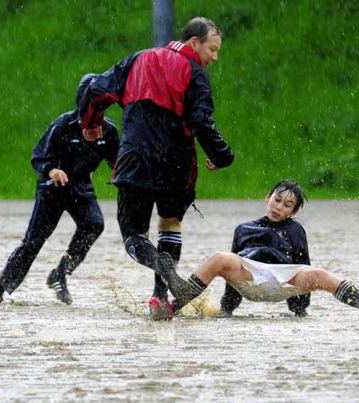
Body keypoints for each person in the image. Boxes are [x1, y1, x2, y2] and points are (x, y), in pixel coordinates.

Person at [77, 17, 235, 320]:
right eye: (212, 49)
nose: (214, 57)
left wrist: (91, 124)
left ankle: (157, 267)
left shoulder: (139, 58)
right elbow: (202, 123)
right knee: (170, 225)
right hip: (177, 165)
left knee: (133, 234)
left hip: (136, 160)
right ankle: (160, 297)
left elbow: (96, 90)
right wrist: (222, 155)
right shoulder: (196, 75)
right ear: (193, 43)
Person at [154, 179, 359, 320]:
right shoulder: (243, 228)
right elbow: (231, 272)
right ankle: (172, 307)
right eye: (277, 200)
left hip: (285, 280)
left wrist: (299, 311)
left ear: (294, 211)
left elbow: (304, 264)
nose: (280, 207)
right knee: (220, 258)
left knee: (320, 274)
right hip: (248, 276)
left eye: (287, 205)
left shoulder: (295, 230)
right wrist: (226, 309)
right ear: (267, 198)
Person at [0, 73, 120, 305]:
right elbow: (38, 157)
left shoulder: (108, 130)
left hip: (81, 188)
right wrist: (52, 170)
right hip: (52, 189)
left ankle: (61, 273)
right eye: (90, 128)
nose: (95, 132)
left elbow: (117, 161)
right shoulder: (62, 125)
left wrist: (122, 173)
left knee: (94, 225)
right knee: (34, 241)